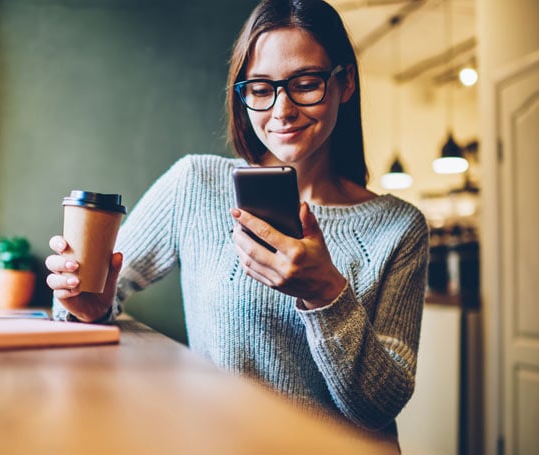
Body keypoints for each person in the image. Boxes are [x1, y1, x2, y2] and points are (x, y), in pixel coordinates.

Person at [45, 0, 428, 446]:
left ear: (344, 83)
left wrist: (327, 295)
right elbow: (90, 301)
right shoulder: (196, 184)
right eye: (261, 89)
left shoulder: (399, 227)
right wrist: (84, 305)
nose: (282, 110)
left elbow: (379, 406)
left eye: (305, 84)